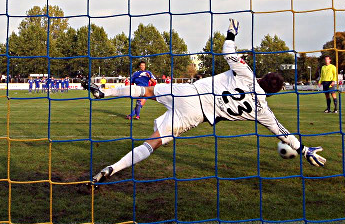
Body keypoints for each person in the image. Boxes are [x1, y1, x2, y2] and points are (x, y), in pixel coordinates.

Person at [82, 18, 326, 185]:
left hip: (190, 92)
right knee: (152, 143)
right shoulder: (263, 110)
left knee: (147, 91)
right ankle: (112, 168)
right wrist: (304, 150)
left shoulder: (246, 73)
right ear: (272, 93)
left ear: (262, 77)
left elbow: (227, 50)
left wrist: (231, 33)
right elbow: (281, 132)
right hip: (196, 116)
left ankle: (104, 93)